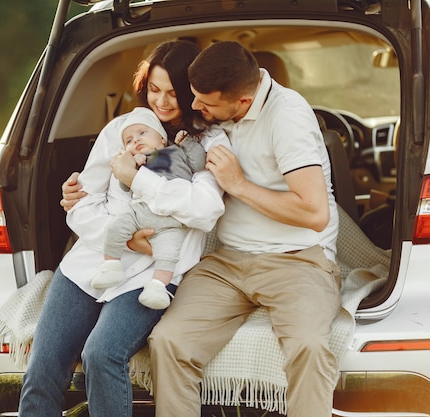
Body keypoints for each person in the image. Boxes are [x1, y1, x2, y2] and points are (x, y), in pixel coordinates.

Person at [18, 39, 227, 417]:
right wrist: (123, 236)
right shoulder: (122, 129)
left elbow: (204, 209)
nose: (161, 102)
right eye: (154, 90)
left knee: (101, 354)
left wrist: (138, 179)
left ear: (192, 93)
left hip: (154, 273)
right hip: (93, 262)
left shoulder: (206, 144)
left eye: (173, 93)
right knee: (43, 366)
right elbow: (82, 204)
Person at [145, 41, 341, 417]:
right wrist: (99, 187)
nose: (195, 108)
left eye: (205, 103)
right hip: (227, 263)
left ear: (243, 103)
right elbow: (167, 160)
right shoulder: (212, 112)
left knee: (309, 346)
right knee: (168, 341)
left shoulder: (288, 117)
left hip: (297, 261)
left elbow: (315, 212)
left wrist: (239, 186)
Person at [92, 106, 209, 309]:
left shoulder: (176, 152)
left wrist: (187, 142)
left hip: (170, 220)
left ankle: (157, 287)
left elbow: (199, 164)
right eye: (129, 140)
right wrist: (130, 167)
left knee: (168, 254)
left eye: (142, 133)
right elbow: (125, 187)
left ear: (162, 138)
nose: (135, 140)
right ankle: (111, 265)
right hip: (139, 212)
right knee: (115, 228)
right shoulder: (139, 162)